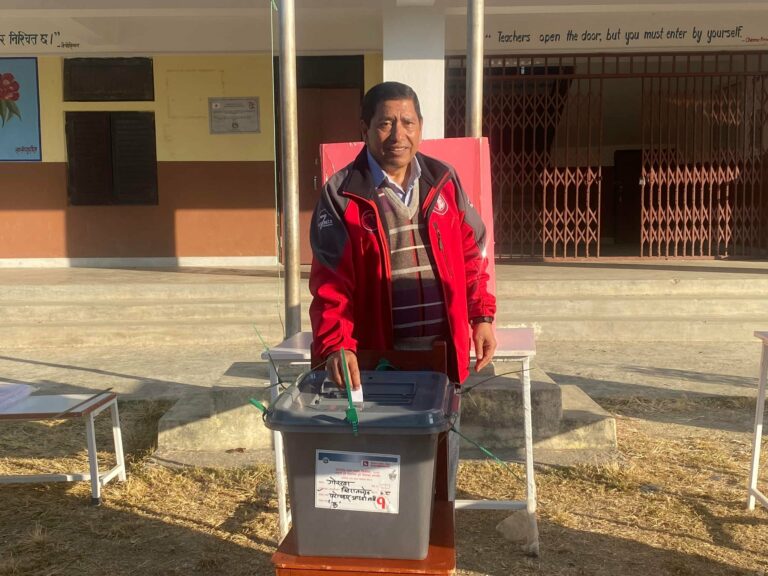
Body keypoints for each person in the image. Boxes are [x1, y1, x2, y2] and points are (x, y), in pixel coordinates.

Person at [309, 81, 497, 390]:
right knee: (385, 421)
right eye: (385, 124)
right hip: (378, 361)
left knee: (443, 421)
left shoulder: (444, 180)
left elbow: (471, 257)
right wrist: (337, 343)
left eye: (408, 122)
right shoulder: (341, 195)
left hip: (444, 357)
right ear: (365, 129)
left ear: (420, 126)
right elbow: (331, 284)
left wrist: (482, 318)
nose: (399, 135)